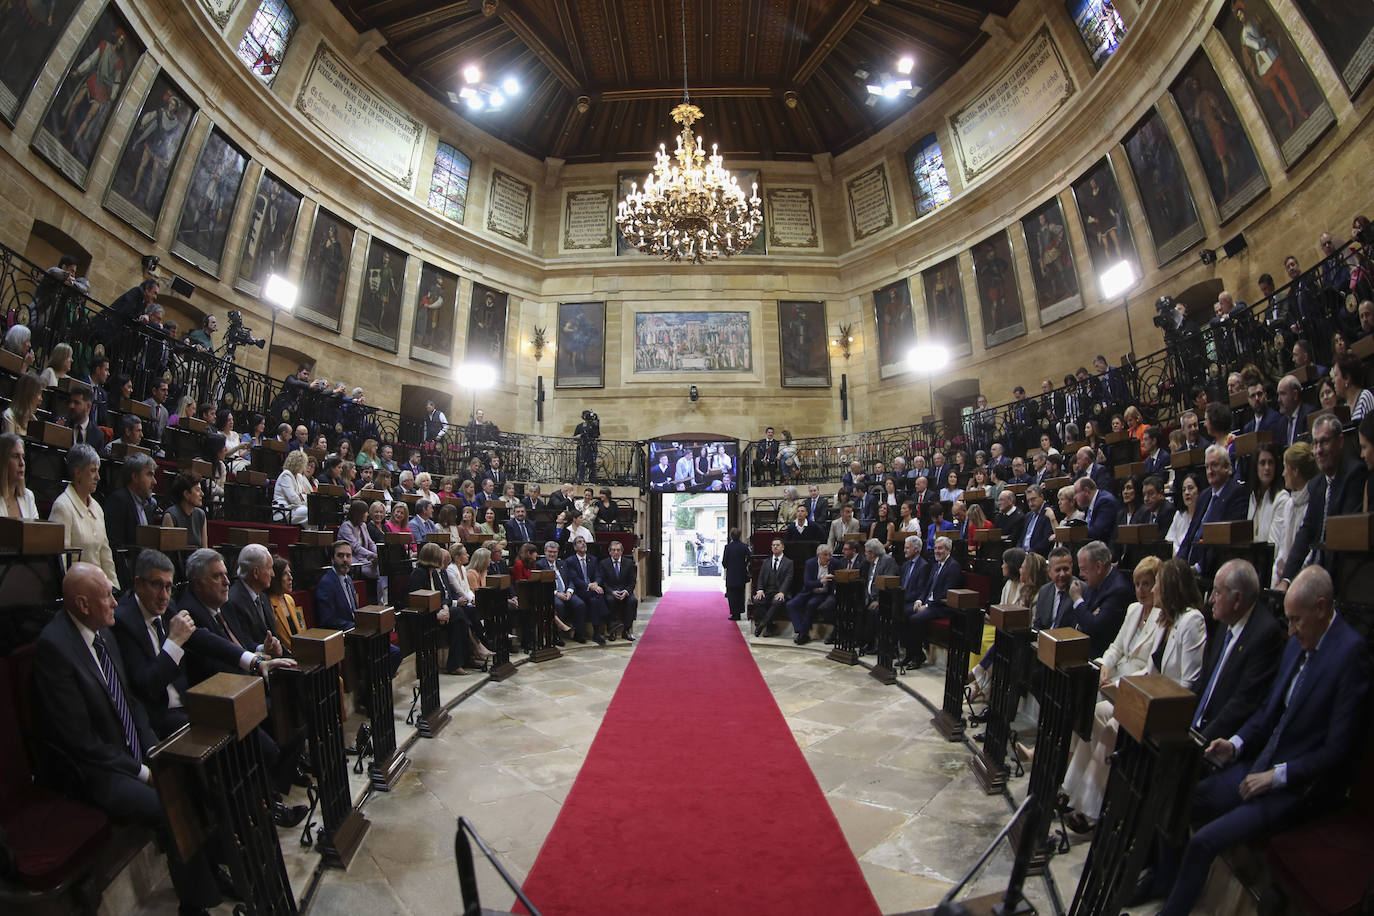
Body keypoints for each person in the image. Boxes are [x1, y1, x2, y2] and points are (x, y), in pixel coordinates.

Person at [1153, 566, 1370, 916]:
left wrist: (1276, 776)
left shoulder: (1350, 654)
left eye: (1297, 620)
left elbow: (1337, 750)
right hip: (1257, 764)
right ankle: (1164, 882)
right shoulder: (1297, 641)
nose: (1291, 629)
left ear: (1321, 607)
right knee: (1175, 799)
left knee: (1204, 840)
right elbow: (1268, 712)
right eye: (1289, 620)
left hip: (1296, 787)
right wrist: (1235, 743)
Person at [33, 562, 228, 914]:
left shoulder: (104, 631)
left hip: (132, 748)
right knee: (169, 805)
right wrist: (143, 771)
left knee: (194, 776)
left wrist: (153, 749)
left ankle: (212, 872)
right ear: (82, 604)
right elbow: (81, 742)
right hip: (96, 769)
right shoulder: (55, 649)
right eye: (107, 595)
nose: (115, 601)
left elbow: (131, 699)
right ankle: (197, 903)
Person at [1060, 557, 1206, 833]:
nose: (1151, 592)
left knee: (1113, 730)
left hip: (1166, 709)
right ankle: (1072, 790)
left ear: (1170, 587)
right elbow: (1151, 668)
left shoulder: (1191, 620)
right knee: (1096, 713)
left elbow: (1188, 681)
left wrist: (1131, 689)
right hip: (1146, 696)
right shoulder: (1167, 619)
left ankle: (1089, 811)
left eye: (1156, 585)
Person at [1277, 413, 1369, 587]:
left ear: (1340, 441)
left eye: (1324, 442)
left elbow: (1343, 535)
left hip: (1342, 577)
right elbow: (1306, 533)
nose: (1318, 450)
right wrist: (1287, 579)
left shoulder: (1354, 474)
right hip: (1316, 573)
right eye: (1315, 443)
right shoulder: (1316, 484)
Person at [48, 444, 118, 585]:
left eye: (97, 471)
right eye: (93, 471)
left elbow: (105, 554)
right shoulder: (62, 507)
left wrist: (114, 587)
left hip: (100, 587)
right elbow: (60, 561)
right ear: (77, 472)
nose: (98, 477)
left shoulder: (97, 508)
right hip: (77, 588)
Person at [900, 535, 963, 669]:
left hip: (942, 607)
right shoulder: (935, 565)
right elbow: (926, 588)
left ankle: (918, 656)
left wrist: (927, 606)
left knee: (915, 619)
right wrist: (919, 601)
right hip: (929, 604)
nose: (936, 551)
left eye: (940, 548)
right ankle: (909, 654)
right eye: (935, 548)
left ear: (948, 550)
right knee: (903, 613)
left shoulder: (953, 567)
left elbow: (946, 593)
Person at [1063, 540, 1132, 656]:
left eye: (1084, 569)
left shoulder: (1118, 590)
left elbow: (1094, 627)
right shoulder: (1094, 582)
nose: (1080, 574)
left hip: (1100, 657)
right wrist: (1088, 617)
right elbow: (1082, 619)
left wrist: (1077, 599)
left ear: (1099, 567)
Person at [104, 452, 160, 551]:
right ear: (135, 477)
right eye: (149, 475)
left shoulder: (148, 506)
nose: (154, 482)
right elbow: (115, 546)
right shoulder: (119, 501)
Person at [787, 543, 838, 645]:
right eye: (825, 555)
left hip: (823, 594)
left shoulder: (835, 563)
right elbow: (807, 583)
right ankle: (801, 630)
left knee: (811, 604)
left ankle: (803, 634)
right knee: (791, 604)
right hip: (809, 591)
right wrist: (821, 581)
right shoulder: (810, 563)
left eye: (829, 555)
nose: (828, 557)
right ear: (818, 555)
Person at [751, 538, 793, 637]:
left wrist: (782, 592)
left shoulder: (789, 562)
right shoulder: (766, 562)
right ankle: (770, 626)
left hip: (780, 591)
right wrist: (760, 590)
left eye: (777, 545)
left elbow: (788, 579)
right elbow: (761, 577)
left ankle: (762, 624)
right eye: (773, 545)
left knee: (776, 602)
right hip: (768, 591)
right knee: (757, 601)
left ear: (782, 547)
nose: (775, 547)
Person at [599, 540, 637, 640]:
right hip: (610, 591)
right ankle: (612, 630)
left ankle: (626, 630)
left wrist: (626, 591)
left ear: (622, 551)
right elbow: (602, 582)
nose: (616, 552)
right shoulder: (603, 563)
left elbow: (632, 581)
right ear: (609, 551)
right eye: (613, 550)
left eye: (618, 550)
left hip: (625, 591)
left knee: (633, 601)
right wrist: (611, 591)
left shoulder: (629, 563)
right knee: (609, 600)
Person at [266, 557, 306, 652]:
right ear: (275, 578)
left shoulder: (289, 599)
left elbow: (301, 627)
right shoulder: (268, 604)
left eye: (290, 573)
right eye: (285, 574)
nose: (290, 578)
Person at [161, 473, 206, 548]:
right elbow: (168, 552)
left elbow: (205, 551)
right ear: (186, 494)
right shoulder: (170, 516)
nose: (202, 494)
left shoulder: (201, 514)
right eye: (198, 490)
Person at [0, 433, 38, 519]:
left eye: (23, 457)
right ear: (3, 461)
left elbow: (35, 531)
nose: (22, 463)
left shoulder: (28, 496)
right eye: (15, 456)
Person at [1332, 352, 1374, 420]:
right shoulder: (1345, 407)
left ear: (1347, 378)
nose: (1333, 381)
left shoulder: (1365, 397)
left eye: (1336, 375)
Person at [274, 449, 310, 524]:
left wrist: (301, 497)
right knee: (310, 513)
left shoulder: (299, 477)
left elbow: (304, 496)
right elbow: (293, 498)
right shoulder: (286, 475)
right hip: (285, 510)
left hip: (296, 508)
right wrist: (301, 497)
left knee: (313, 513)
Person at [2, 370, 43, 435]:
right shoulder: (9, 415)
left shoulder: (33, 420)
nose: (41, 399)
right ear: (28, 394)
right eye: (39, 393)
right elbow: (10, 444)